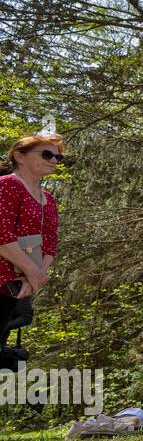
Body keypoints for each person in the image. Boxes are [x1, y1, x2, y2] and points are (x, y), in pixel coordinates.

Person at [0, 134, 62, 351]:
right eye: (47, 154)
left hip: (16, 287)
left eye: (57, 156)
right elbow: (2, 234)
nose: (54, 160)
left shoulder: (49, 199)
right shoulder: (7, 185)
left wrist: (35, 276)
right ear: (19, 156)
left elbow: (50, 242)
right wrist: (32, 272)